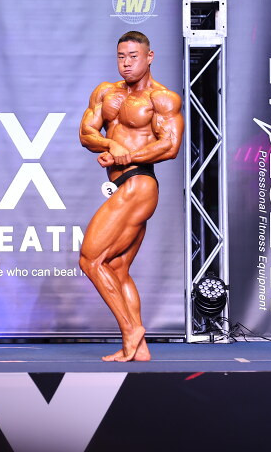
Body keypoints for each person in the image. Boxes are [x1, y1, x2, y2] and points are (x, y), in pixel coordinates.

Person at [78, 31, 183, 361]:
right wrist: (111, 144)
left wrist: (128, 156)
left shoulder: (161, 98)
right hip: (123, 184)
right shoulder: (106, 92)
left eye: (133, 56)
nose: (126, 63)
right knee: (117, 267)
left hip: (140, 183)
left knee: (90, 259)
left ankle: (130, 329)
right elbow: (86, 133)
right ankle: (138, 349)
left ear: (149, 57)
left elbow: (170, 146)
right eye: (121, 56)